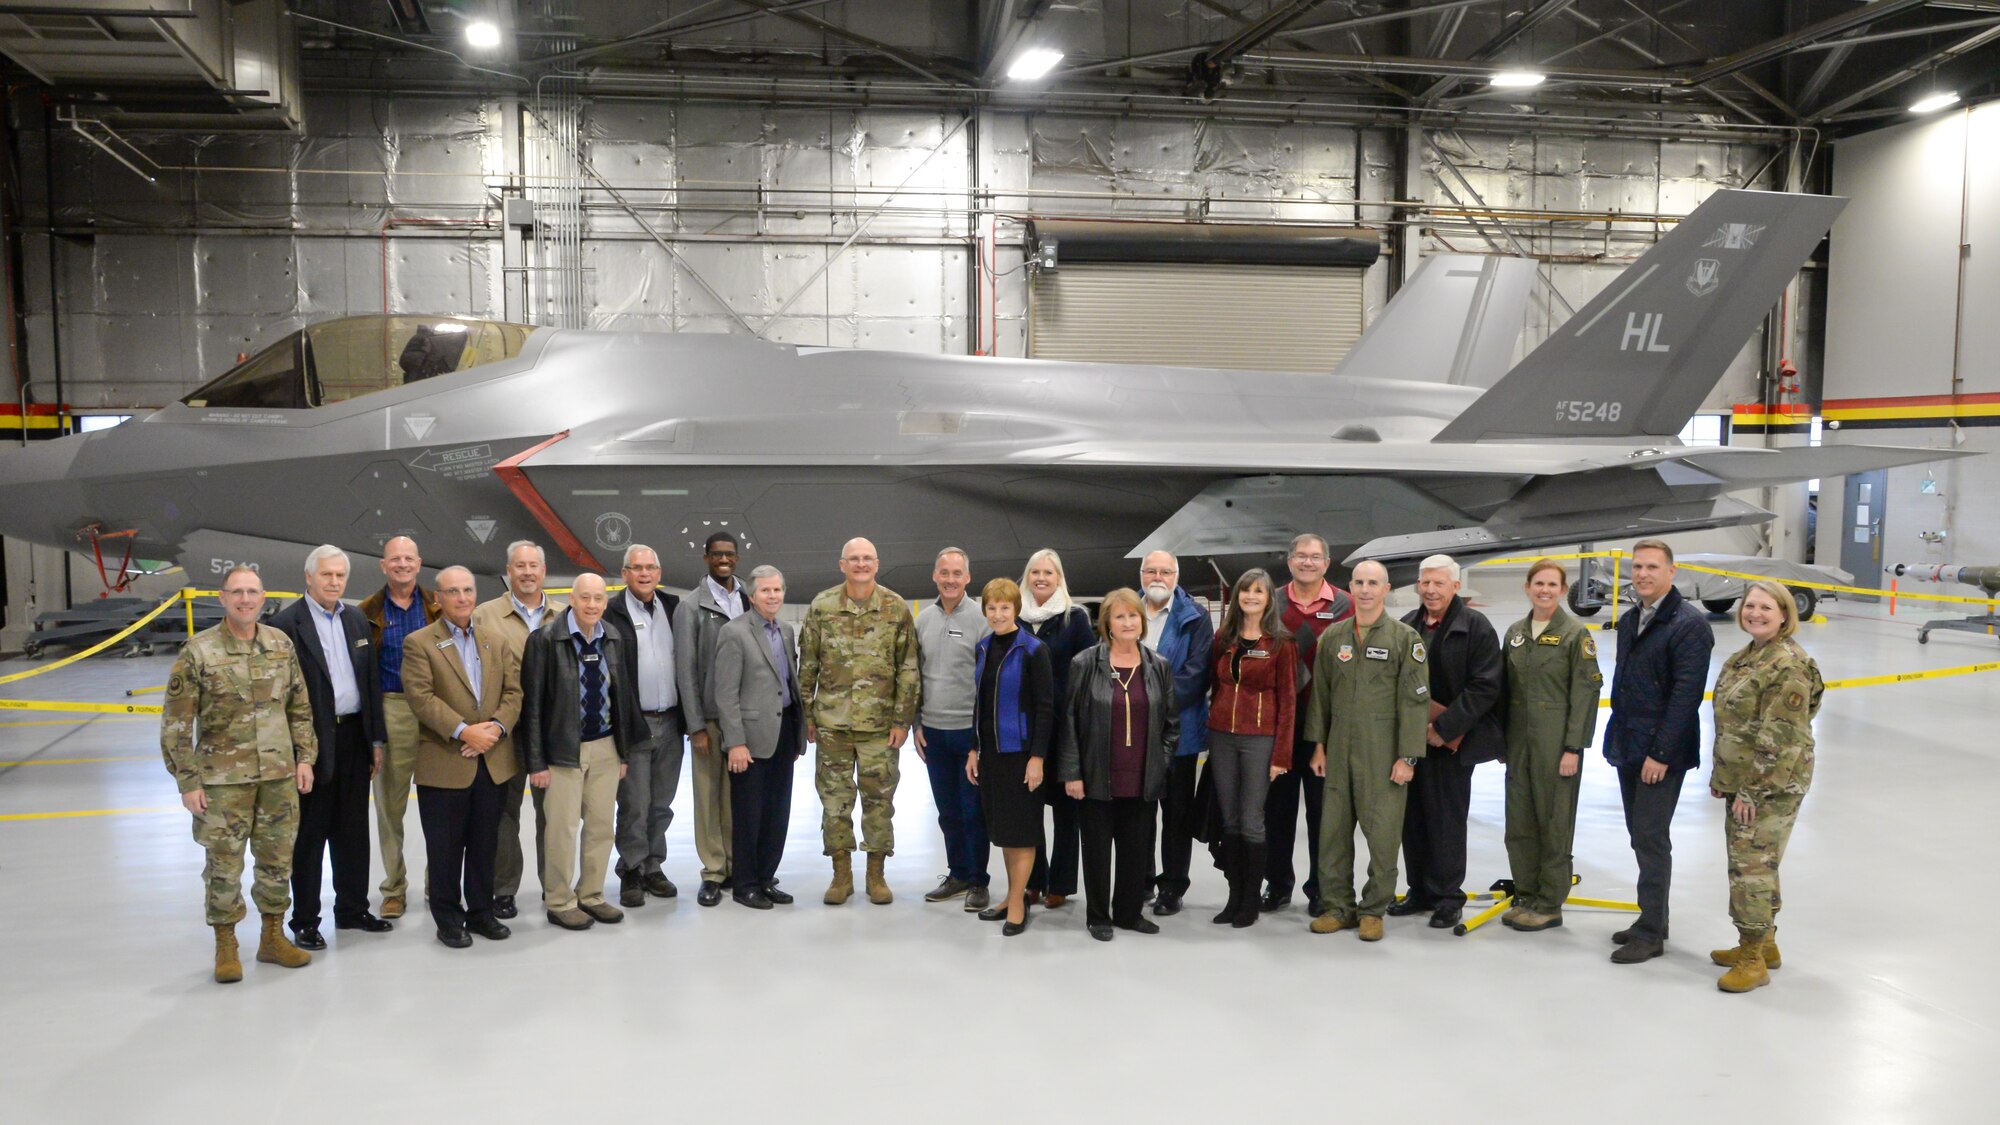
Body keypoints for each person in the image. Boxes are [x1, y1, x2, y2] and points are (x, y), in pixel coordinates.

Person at [161, 566, 318, 983]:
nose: (245, 600)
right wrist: (188, 782)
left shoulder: (280, 644)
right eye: (237, 593)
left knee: (276, 861)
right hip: (221, 783)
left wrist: (305, 758)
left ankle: (272, 938)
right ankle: (226, 945)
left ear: (263, 597)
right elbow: (177, 723)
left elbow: (299, 707)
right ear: (222, 597)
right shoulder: (199, 651)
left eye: (252, 592)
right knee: (224, 865)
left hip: (278, 776)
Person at [272, 545, 391, 951]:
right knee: (310, 834)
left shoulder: (356, 618)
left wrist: (376, 739)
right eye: (326, 575)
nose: (334, 582)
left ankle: (353, 908)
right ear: (309, 577)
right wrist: (296, 754)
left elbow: (370, 682)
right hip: (313, 742)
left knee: (353, 830)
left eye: (340, 575)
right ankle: (305, 919)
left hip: (355, 737)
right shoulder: (287, 624)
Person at [1304, 559, 1429, 942]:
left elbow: (1415, 702)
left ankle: (1373, 910)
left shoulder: (1405, 639)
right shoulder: (1334, 636)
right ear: (1350, 587)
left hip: (1384, 750)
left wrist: (1407, 756)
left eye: (1373, 582)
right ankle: (1338, 907)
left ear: (1386, 589)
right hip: (1339, 747)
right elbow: (1320, 696)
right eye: (1358, 582)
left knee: (1383, 834)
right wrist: (1319, 746)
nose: (1365, 589)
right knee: (1333, 833)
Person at [401, 566, 524, 948]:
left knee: (485, 843)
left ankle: (482, 913)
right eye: (452, 591)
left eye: (468, 590)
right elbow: (421, 698)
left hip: (492, 760)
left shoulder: (494, 640)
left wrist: (495, 729)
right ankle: (449, 918)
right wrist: (464, 731)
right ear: (438, 599)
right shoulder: (419, 642)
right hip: (445, 763)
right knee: (446, 849)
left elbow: (513, 692)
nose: (462, 597)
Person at [1707, 581, 1822, 993]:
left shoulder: (1787, 664)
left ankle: (1752, 958)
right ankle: (1765, 943)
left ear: (1785, 615)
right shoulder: (1748, 657)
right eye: (1750, 606)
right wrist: (1725, 778)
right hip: (1744, 779)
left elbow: (1782, 737)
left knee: (1750, 868)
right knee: (1758, 863)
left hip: (1772, 784)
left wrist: (1753, 792)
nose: (1755, 613)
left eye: (1766, 607)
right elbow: (1734, 725)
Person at [1605, 539, 1714, 965]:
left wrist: (1661, 755)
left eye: (1652, 567)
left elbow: (1685, 699)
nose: (1643, 574)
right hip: (1630, 745)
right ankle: (1652, 918)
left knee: (1651, 837)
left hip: (1659, 754)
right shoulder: (1633, 619)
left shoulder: (1688, 626)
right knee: (1640, 834)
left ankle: (1650, 934)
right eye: (1637, 567)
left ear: (1671, 572)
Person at [521, 573, 646, 930]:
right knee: (561, 829)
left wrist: (621, 753)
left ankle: (591, 895)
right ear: (571, 600)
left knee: (601, 828)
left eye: (598, 599)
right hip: (562, 752)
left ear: (605, 602)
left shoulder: (615, 638)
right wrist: (536, 761)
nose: (592, 605)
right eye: (585, 598)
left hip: (606, 747)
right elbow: (532, 707)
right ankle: (560, 901)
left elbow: (622, 698)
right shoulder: (544, 640)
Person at [799, 537, 919, 906]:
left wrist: (902, 720)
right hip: (833, 724)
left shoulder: (895, 608)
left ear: (877, 564)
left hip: (880, 727)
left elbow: (909, 669)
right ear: (842, 565)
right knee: (835, 802)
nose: (861, 564)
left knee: (879, 802)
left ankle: (876, 875)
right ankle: (841, 875)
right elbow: (807, 666)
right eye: (854, 559)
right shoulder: (821, 607)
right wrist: (808, 716)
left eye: (867, 559)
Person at [1058, 588, 1179, 942]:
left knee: (1136, 852)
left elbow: (1172, 725)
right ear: (1107, 624)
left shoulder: (1158, 666)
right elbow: (1069, 722)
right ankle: (1098, 915)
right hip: (1096, 777)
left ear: (1142, 622)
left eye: (1133, 616)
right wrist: (1073, 773)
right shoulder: (1084, 664)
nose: (1128, 623)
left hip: (1142, 779)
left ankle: (1128, 913)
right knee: (1096, 852)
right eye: (1120, 616)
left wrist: (1161, 763)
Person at [1393, 554, 1503, 929]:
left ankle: (1447, 897)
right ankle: (1418, 892)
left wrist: (1444, 728)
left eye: (1439, 583)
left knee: (1446, 820)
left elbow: (1485, 686)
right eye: (1425, 582)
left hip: (1453, 744)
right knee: (1413, 819)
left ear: (1456, 586)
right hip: (1413, 743)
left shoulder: (1475, 627)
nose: (1431, 589)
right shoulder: (1407, 625)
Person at [1498, 560, 1603, 933]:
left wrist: (1573, 748)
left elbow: (1586, 693)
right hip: (1518, 745)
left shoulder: (1575, 635)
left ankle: (1549, 902)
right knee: (1519, 822)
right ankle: (1525, 893)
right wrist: (1501, 742)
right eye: (1538, 583)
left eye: (1552, 585)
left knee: (1554, 823)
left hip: (1555, 745)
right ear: (1527, 587)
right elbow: (1503, 691)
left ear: (1562, 590)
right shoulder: (1515, 633)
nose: (1544, 590)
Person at [471, 541, 566, 920]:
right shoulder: (484, 615)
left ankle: (554, 886)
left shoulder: (565, 614)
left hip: (552, 730)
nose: (527, 572)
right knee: (503, 813)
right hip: (503, 730)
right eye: (519, 566)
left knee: (554, 813)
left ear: (544, 571)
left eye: (534, 566)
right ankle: (503, 888)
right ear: (508, 571)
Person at [1264, 533, 1353, 916]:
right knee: (1277, 814)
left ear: (1327, 563)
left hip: (1327, 731)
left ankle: (1320, 888)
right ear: (1289, 562)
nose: (1307, 562)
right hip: (1280, 727)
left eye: (1315, 557)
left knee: (1324, 816)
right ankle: (1278, 885)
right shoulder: (1273, 601)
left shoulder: (1344, 604)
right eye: (1301, 556)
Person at [1204, 569, 1297, 929]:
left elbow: (1289, 703)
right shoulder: (1223, 636)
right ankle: (1233, 896)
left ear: (1270, 598)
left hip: (1260, 740)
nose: (1252, 597)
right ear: (1237, 596)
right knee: (1228, 821)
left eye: (1259, 591)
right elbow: (1214, 684)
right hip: (1222, 736)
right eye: (1246, 591)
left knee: (1251, 821)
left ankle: (1250, 901)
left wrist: (1282, 756)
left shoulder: (1281, 643)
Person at [713, 566, 807, 910]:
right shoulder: (734, 633)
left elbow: (789, 683)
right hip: (749, 740)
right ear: (751, 596)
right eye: (765, 591)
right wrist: (735, 742)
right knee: (749, 814)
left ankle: (766, 878)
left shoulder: (785, 630)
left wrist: (797, 733)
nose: (773, 596)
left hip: (782, 734)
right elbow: (725, 693)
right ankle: (745, 884)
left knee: (776, 812)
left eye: (778, 590)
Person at [967, 577, 1054, 936]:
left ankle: (1018, 902)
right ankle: (1011, 894)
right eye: (991, 608)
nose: (998, 614)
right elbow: (978, 704)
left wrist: (1037, 757)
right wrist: (975, 749)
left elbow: (1046, 707)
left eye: (1005, 607)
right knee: (1003, 832)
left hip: (1021, 755)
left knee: (1022, 832)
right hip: (992, 755)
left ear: (1016, 610)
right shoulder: (984, 647)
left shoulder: (1033, 649)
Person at [359, 535, 440, 920]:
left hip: (436, 712)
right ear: (383, 565)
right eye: (395, 559)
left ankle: (436, 881)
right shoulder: (367, 613)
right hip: (391, 709)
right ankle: (394, 887)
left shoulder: (437, 608)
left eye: (409, 558)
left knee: (440, 804)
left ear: (419, 563)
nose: (402, 564)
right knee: (390, 807)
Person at [602, 544, 686, 908]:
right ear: (624, 574)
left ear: (659, 572)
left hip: (670, 720)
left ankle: (654, 865)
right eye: (636, 568)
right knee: (634, 802)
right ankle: (632, 869)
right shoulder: (611, 612)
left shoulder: (674, 608)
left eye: (650, 567)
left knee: (662, 803)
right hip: (634, 724)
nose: (644, 573)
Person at [914, 547, 993, 912]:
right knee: (947, 811)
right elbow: (914, 675)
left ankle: (979, 880)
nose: (949, 579)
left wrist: (979, 739)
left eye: (956, 573)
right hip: (933, 732)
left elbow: (989, 682)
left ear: (967, 578)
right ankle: (958, 873)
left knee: (972, 811)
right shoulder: (923, 620)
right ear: (934, 575)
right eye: (943, 572)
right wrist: (916, 723)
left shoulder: (982, 619)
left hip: (968, 734)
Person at [1018, 547, 1097, 909]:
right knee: (1029, 810)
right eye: (1035, 572)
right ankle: (1033, 881)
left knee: (1067, 813)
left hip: (1065, 728)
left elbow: (1086, 671)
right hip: (1025, 729)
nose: (1041, 578)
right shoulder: (1014, 616)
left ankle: (1060, 884)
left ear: (1059, 578)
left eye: (1048, 573)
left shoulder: (1075, 617)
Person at [1140, 551, 1214, 917]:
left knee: (1176, 816)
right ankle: (1140, 880)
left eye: (1165, 571)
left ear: (1176, 576)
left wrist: (1148, 704)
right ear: (1141, 574)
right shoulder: (1125, 609)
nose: (1157, 576)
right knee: (1138, 813)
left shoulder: (1196, 618)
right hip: (1131, 735)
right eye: (1150, 570)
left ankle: (1171, 886)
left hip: (1179, 735)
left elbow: (1197, 675)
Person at [675, 531, 746, 907]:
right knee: (707, 798)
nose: (724, 560)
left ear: (737, 557)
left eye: (729, 554)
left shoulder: (749, 599)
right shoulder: (691, 608)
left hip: (743, 720)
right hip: (710, 720)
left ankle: (737, 865)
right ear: (705, 559)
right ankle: (714, 871)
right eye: (716, 554)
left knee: (737, 799)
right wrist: (696, 725)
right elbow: (685, 671)